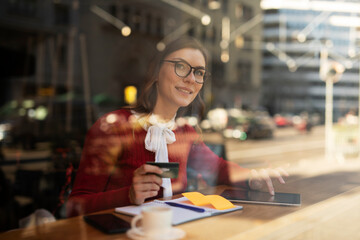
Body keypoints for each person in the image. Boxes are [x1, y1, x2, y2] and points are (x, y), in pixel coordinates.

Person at [67, 37, 288, 217]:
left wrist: (252, 177)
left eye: (199, 72)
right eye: (181, 66)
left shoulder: (184, 133)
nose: (191, 79)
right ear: (155, 72)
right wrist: (128, 195)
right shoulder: (113, 127)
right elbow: (76, 205)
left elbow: (218, 169)